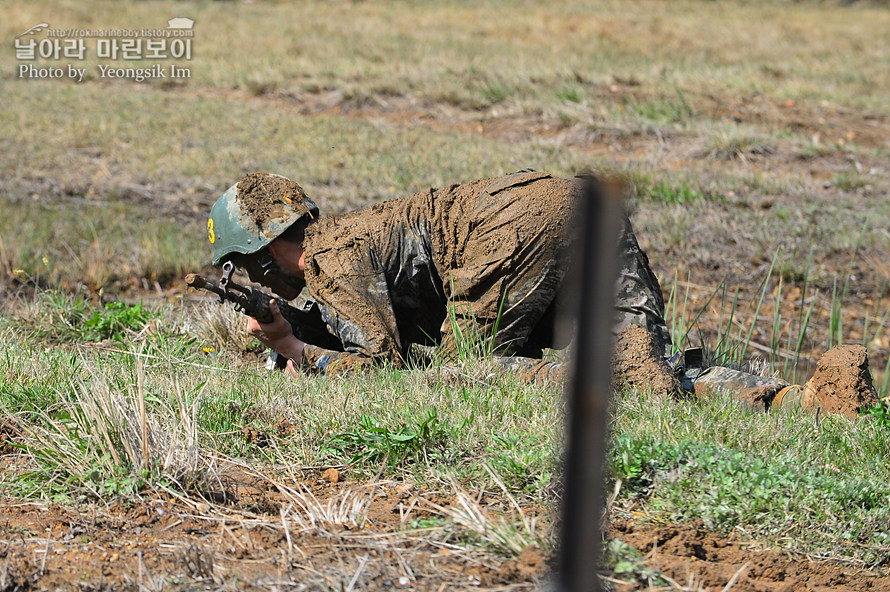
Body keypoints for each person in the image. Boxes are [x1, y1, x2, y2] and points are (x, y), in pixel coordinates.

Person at [203, 171, 880, 417]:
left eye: (255, 269)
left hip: (514, 230)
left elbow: (385, 367)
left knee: (477, 375)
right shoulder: (347, 239)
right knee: (650, 376)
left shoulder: (331, 253)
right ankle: (804, 399)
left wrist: (298, 350)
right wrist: (297, 332)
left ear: (268, 248)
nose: (263, 283)